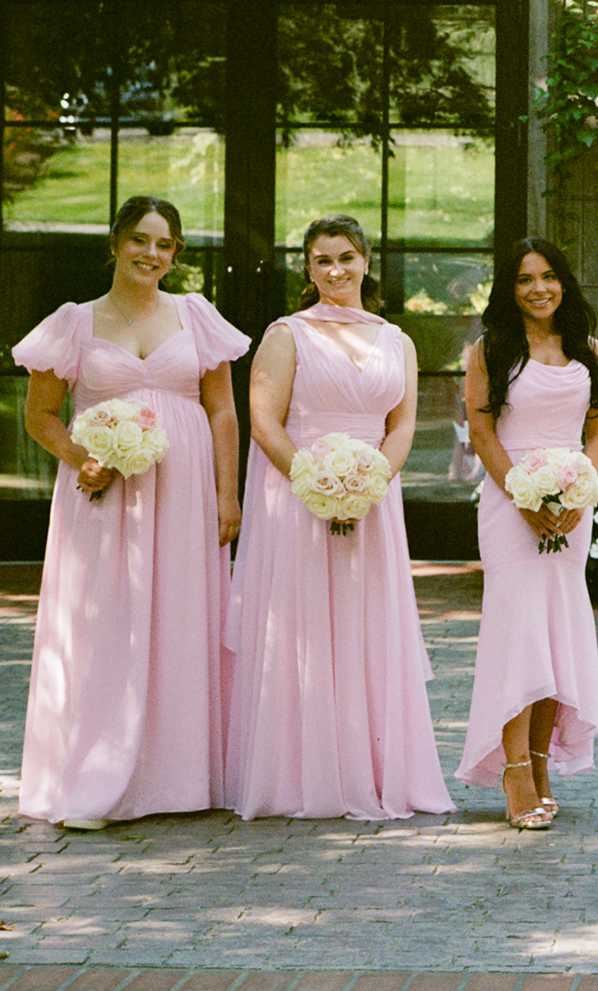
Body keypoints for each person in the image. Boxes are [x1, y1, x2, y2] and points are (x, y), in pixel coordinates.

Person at [13, 195, 248, 828]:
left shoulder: (196, 317)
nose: (152, 254)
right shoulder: (74, 322)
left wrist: (229, 495)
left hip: (186, 489)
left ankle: (179, 779)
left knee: (181, 615)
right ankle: (97, 774)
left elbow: (223, 410)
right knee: (105, 618)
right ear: (115, 243)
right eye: (140, 240)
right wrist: (78, 456)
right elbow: (38, 414)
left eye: (165, 244)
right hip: (103, 489)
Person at [224, 214, 453, 820]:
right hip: (296, 498)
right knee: (303, 624)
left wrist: (371, 481)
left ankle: (372, 773)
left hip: (374, 498)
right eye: (322, 260)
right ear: (307, 267)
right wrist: (316, 483)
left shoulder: (395, 339)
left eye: (346, 257)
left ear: (367, 261)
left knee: (364, 623)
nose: (336, 270)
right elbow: (264, 421)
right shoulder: (286, 335)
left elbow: (401, 424)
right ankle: (300, 778)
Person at [458, 237, 598, 828]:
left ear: (564, 283)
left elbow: (597, 432)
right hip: (509, 503)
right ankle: (514, 770)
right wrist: (523, 497)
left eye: (549, 276)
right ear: (509, 289)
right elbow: (484, 435)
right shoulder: (490, 350)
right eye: (525, 280)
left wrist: (579, 491)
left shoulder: (589, 351)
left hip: (573, 505)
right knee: (517, 635)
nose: (539, 288)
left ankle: (543, 762)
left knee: (556, 634)